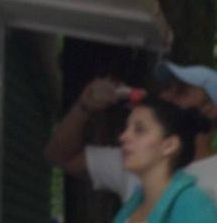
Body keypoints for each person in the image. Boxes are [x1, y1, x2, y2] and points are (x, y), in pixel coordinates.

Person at [45, 61, 217, 202]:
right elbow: (60, 157)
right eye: (167, 88)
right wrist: (84, 107)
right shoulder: (136, 159)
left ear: (211, 111)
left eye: (181, 92)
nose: (165, 96)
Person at [112, 97, 217, 222]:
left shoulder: (194, 206)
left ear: (169, 145)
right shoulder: (134, 202)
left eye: (139, 130)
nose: (124, 136)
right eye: (126, 128)